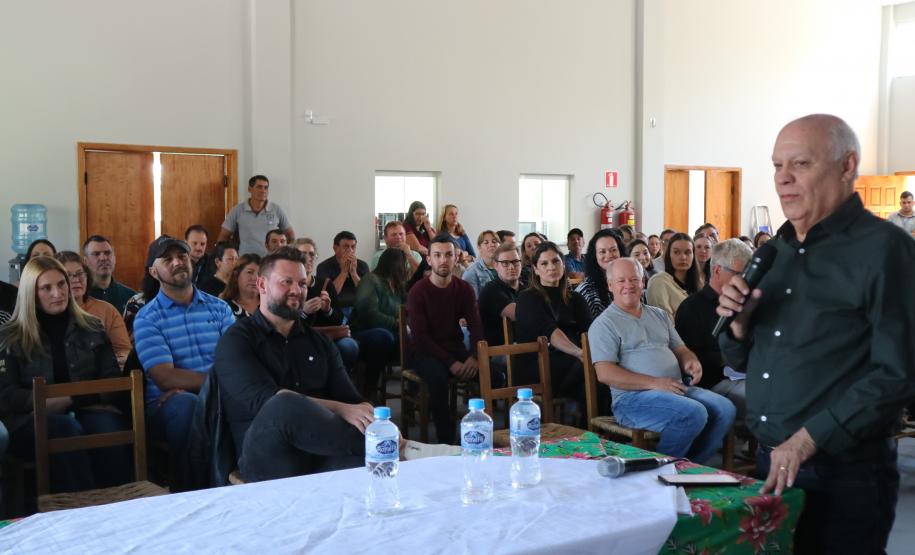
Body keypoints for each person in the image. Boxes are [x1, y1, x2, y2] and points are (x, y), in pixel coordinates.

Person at [717, 114, 915, 553]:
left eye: (801, 164)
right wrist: (739, 323)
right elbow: (741, 358)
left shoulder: (885, 250)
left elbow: (897, 374)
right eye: (776, 166)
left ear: (848, 166)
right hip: (773, 461)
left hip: (843, 472)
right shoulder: (776, 252)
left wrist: (807, 439)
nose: (783, 179)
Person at [212, 247, 371, 482]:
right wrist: (343, 410)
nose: (297, 290)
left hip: (322, 452)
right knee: (284, 403)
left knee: (366, 467)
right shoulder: (236, 341)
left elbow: (351, 399)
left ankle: (387, 447)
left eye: (303, 284)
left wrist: (371, 415)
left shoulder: (319, 342)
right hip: (267, 457)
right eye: (286, 282)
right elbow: (265, 401)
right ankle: (390, 446)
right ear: (262, 285)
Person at [0, 257, 131, 493]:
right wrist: (43, 402)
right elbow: (6, 395)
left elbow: (112, 382)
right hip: (30, 419)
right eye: (46, 288)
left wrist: (71, 400)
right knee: (66, 429)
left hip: (87, 408)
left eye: (62, 284)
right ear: (31, 293)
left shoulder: (92, 326)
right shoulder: (10, 336)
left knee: (108, 428)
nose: (57, 293)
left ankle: (118, 505)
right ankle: (79, 509)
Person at [588, 257, 735, 464]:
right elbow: (605, 374)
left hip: (675, 388)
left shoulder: (659, 315)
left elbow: (681, 349)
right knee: (693, 413)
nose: (628, 285)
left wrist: (690, 361)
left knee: (725, 408)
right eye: (621, 281)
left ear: (643, 282)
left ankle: (689, 466)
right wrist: (655, 383)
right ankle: (660, 468)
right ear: (610, 286)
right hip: (632, 399)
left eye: (634, 279)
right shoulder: (604, 324)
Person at [133, 236, 235, 483]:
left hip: (217, 396)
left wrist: (211, 387)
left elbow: (236, 363)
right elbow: (165, 377)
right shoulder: (148, 318)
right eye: (167, 259)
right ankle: (190, 491)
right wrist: (219, 383)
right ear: (153, 272)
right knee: (187, 406)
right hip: (166, 408)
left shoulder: (220, 308)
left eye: (182, 257)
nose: (177, 262)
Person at [407, 235, 483, 444]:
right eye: (437, 255)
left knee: (493, 375)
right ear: (429, 259)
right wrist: (452, 364)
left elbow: (476, 325)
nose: (443, 260)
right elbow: (420, 338)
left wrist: (476, 356)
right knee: (439, 381)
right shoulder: (418, 292)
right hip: (424, 352)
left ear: (456, 257)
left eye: (449, 255)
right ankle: (447, 443)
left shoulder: (464, 289)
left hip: (455, 348)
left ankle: (482, 435)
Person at [674, 239, 752, 417]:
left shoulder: (746, 303)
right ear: (717, 270)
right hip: (714, 383)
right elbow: (690, 358)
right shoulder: (692, 307)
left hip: (747, 376)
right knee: (764, 398)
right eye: (740, 274)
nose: (746, 281)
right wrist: (731, 360)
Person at [516, 242, 591, 403]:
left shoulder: (575, 298)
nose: (551, 267)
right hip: (538, 363)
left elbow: (590, 331)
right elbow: (550, 332)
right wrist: (580, 353)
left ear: (563, 265)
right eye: (544, 263)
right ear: (535, 269)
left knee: (593, 388)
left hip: (572, 361)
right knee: (591, 371)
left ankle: (591, 427)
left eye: (556, 261)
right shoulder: (527, 298)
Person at [349, 248, 408, 400]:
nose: (405, 267)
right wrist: (397, 323)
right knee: (383, 336)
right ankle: (370, 388)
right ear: (395, 264)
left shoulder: (398, 285)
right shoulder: (371, 279)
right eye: (404, 263)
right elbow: (368, 314)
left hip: (391, 331)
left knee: (415, 339)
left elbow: (406, 309)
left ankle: (413, 391)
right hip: (363, 330)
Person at [56, 251, 131, 367]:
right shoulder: (52, 313)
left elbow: (124, 351)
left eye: (80, 273)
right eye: (68, 275)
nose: (76, 280)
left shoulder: (106, 310)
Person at [297, 238, 359, 371]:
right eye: (303, 254)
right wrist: (304, 312)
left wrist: (328, 310)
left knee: (349, 346)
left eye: (312, 254)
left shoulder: (325, 283)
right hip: (301, 336)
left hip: (328, 335)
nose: (308, 258)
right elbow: (285, 322)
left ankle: (340, 382)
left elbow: (338, 319)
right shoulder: (289, 286)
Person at [217, 175, 296, 256]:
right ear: (250, 189)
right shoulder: (238, 210)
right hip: (246, 262)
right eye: (259, 187)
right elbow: (223, 236)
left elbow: (290, 234)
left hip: (271, 261)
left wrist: (286, 253)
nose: (263, 190)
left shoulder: (276, 209)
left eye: (266, 188)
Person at [646, 232, 701, 319]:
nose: (683, 257)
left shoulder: (698, 283)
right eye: (676, 252)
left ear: (693, 256)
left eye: (688, 252)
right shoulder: (659, 282)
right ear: (669, 255)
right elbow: (664, 322)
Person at [478, 243, 522, 348]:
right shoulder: (490, 290)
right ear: (496, 265)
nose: (511, 267)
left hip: (522, 346)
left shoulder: (525, 288)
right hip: (498, 352)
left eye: (515, 262)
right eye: (505, 263)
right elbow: (519, 314)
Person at [575, 230, 625, 318]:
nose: (609, 255)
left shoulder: (627, 282)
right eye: (602, 251)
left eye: (613, 250)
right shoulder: (587, 291)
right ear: (594, 256)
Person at [315, 231, 369, 311]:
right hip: (336, 308)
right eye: (346, 246)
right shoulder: (323, 267)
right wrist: (344, 272)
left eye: (353, 247)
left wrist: (353, 273)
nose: (350, 250)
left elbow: (367, 294)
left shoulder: (363, 265)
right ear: (335, 248)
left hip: (358, 308)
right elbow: (329, 296)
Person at [83, 235, 136, 314]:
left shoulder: (131, 297)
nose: (103, 258)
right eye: (96, 254)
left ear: (114, 258)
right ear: (85, 261)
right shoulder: (80, 296)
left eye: (108, 253)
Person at [220, 254, 261, 318]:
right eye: (249, 272)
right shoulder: (223, 307)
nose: (255, 278)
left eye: (259, 274)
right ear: (236, 276)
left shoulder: (271, 305)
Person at [461, 230, 500, 298]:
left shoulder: (505, 267)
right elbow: (471, 302)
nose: (491, 245)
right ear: (479, 247)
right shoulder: (471, 272)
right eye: (486, 242)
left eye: (494, 241)